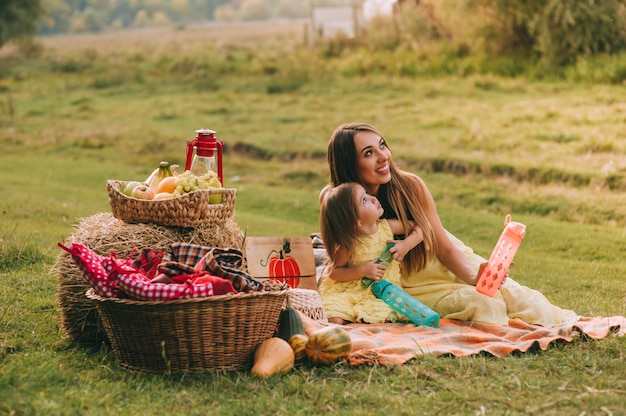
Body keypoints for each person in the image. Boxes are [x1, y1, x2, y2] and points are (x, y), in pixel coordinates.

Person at [321, 122, 578, 327]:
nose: (383, 156)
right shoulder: (336, 201)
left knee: (522, 301)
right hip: (409, 283)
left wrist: (471, 276)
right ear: (349, 164)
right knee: (484, 305)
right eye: (369, 153)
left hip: (444, 261)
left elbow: (443, 247)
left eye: (382, 146)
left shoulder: (410, 186)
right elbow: (341, 255)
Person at [318, 182, 425, 324]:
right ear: (355, 222)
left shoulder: (387, 227)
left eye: (367, 194)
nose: (373, 198)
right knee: (334, 317)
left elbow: (420, 227)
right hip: (352, 290)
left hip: (382, 291)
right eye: (364, 200)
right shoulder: (348, 244)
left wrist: (406, 244)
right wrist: (362, 270)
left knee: (380, 314)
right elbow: (335, 272)